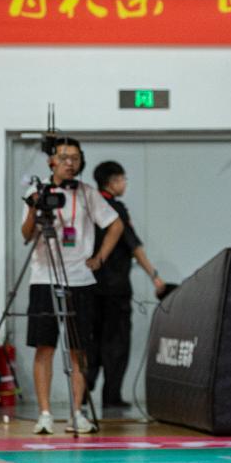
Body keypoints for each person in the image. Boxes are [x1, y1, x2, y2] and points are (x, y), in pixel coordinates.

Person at [21, 137, 123, 434]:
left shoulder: (88, 193)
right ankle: (45, 414)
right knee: (45, 346)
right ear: (51, 161)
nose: (70, 163)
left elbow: (116, 224)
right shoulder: (36, 192)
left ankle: (77, 412)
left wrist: (100, 257)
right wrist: (34, 208)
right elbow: (26, 234)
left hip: (80, 279)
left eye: (75, 158)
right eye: (64, 158)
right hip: (44, 277)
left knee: (80, 349)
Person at [86, 161, 166, 408]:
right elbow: (134, 247)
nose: (124, 184)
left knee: (91, 340)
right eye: (122, 179)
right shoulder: (115, 209)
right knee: (117, 343)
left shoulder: (88, 206)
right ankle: (111, 395)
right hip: (114, 289)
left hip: (88, 286)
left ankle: (83, 391)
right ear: (112, 182)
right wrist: (154, 275)